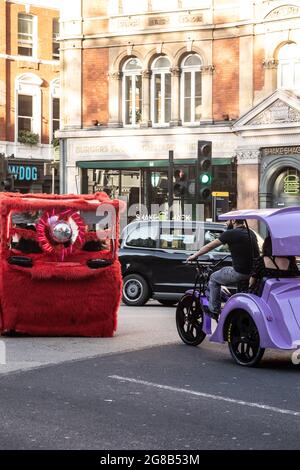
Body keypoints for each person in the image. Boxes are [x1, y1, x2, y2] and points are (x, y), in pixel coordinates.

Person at [187, 219, 259, 320]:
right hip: (253, 273)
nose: (226, 223)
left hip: (240, 272)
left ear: (233, 221)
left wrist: (194, 256)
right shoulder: (250, 232)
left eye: (227, 220)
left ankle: (214, 310)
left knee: (213, 278)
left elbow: (210, 246)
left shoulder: (230, 233)